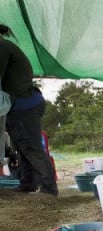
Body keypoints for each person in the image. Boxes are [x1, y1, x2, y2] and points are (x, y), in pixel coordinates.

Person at [0, 24, 58, 195]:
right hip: (19, 106)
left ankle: (49, 189)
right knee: (21, 147)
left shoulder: (2, 47)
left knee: (31, 147)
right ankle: (28, 183)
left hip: (24, 106)